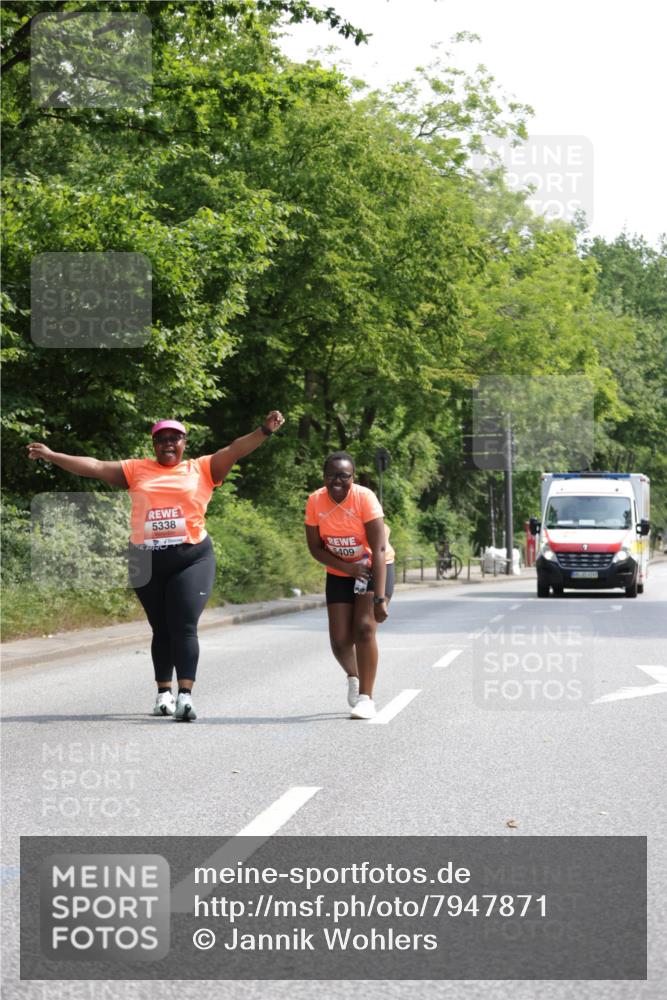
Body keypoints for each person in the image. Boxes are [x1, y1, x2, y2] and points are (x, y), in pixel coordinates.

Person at [27, 411, 285, 721]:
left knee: (184, 625)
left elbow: (234, 450)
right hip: (145, 559)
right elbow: (94, 467)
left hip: (191, 557)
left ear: (183, 443)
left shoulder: (201, 468)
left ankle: (185, 697)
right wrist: (52, 455)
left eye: (174, 438)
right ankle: (164, 693)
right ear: (154, 444)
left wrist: (264, 431)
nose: (168, 443)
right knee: (160, 627)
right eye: (161, 439)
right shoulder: (136, 470)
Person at [304, 451, 395, 720]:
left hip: (372, 566)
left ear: (353, 477)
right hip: (340, 571)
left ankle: (367, 698)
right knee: (340, 639)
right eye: (332, 475)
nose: (337, 480)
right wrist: (346, 568)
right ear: (324, 477)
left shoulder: (364, 498)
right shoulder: (315, 501)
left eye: (344, 475)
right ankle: (354, 676)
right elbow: (315, 548)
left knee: (365, 629)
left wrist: (380, 598)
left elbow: (378, 547)